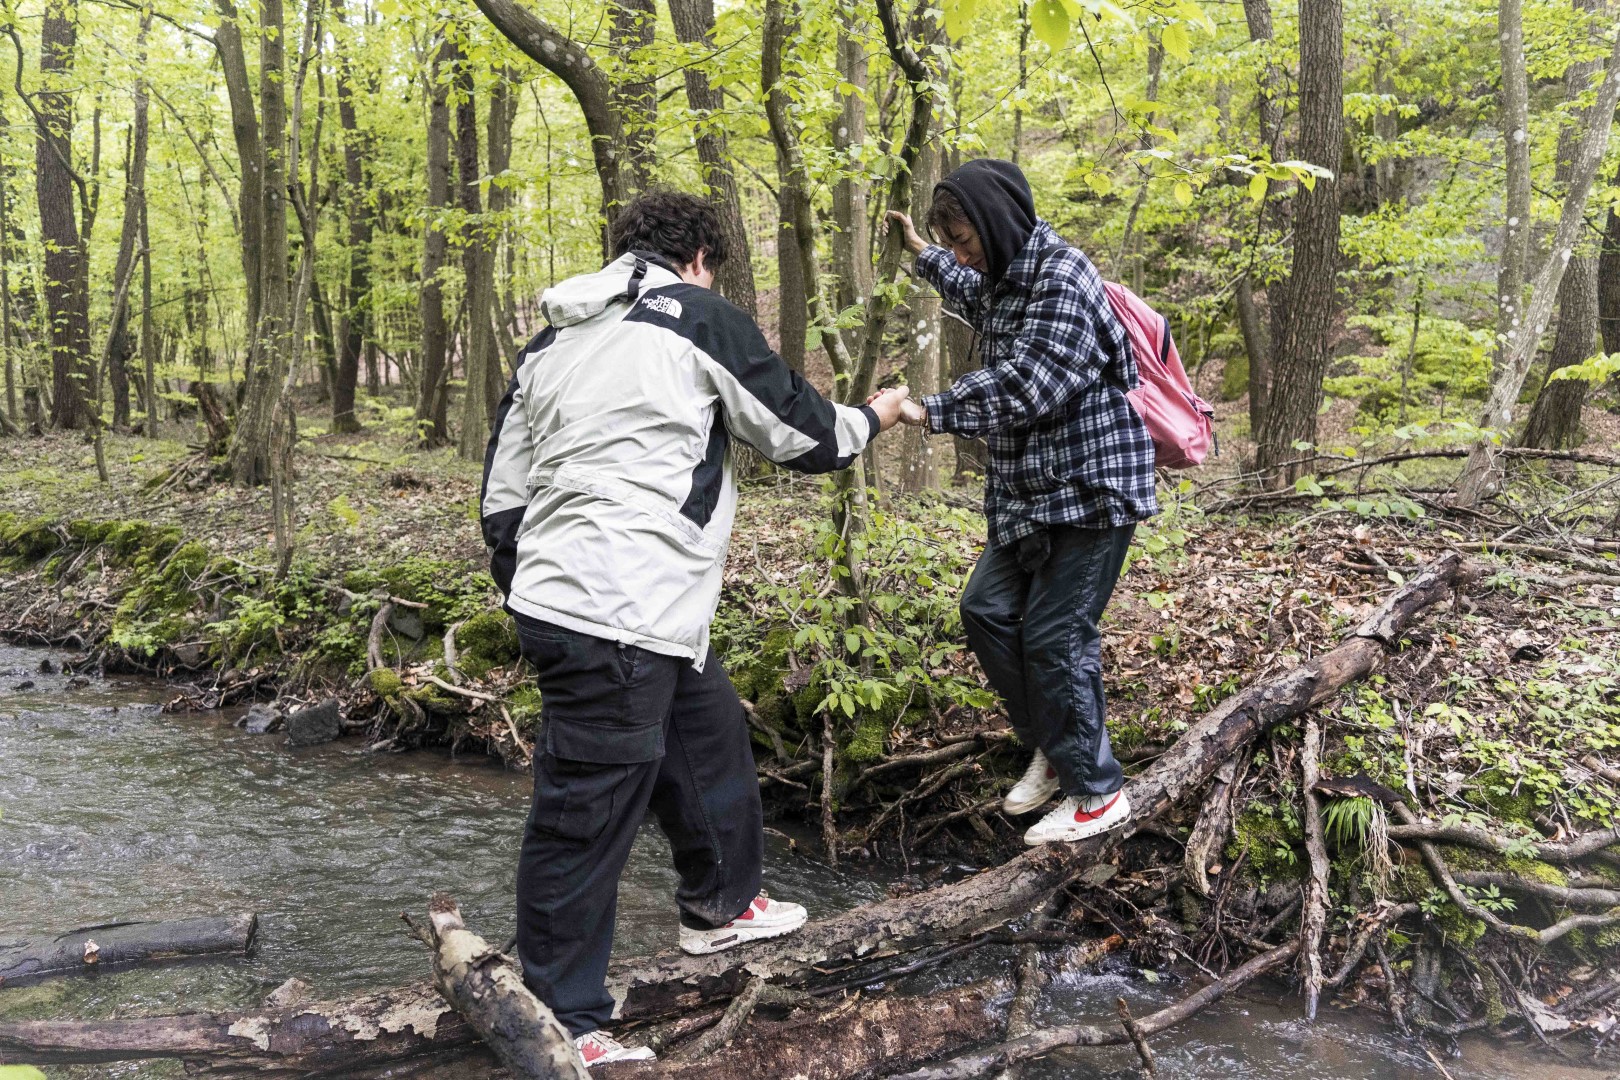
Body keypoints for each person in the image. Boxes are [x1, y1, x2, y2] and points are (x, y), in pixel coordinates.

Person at [481, 191, 914, 1068]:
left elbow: (503, 497)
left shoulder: (552, 342)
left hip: (608, 603)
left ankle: (721, 908)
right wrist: (881, 414)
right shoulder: (697, 316)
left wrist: (534, 587)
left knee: (706, 735)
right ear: (700, 258)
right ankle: (562, 1024)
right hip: (614, 607)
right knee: (584, 815)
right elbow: (808, 435)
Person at [884, 158, 1157, 847]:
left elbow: (1028, 382)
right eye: (951, 242)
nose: (960, 254)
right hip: (1032, 494)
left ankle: (1098, 793)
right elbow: (978, 292)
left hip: (1092, 487)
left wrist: (929, 410)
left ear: (999, 225)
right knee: (985, 609)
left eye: (964, 239)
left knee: (1057, 635)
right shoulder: (1008, 274)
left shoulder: (1064, 279)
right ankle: (1057, 746)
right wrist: (922, 254)